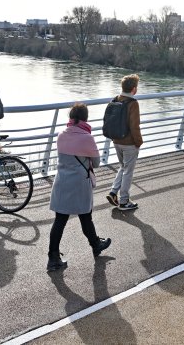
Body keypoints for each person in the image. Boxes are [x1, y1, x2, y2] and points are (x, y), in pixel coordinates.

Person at [47, 102, 112, 272]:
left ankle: (53, 257)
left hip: (62, 182)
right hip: (79, 184)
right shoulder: (87, 138)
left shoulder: (61, 134)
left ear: (71, 117)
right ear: (85, 118)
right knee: (85, 217)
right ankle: (96, 244)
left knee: (59, 221)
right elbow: (96, 163)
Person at [106, 74, 143, 211]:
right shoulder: (133, 104)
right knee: (128, 171)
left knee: (123, 167)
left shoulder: (115, 99)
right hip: (129, 144)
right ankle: (124, 201)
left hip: (116, 140)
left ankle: (113, 192)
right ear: (134, 89)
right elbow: (134, 126)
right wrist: (138, 142)